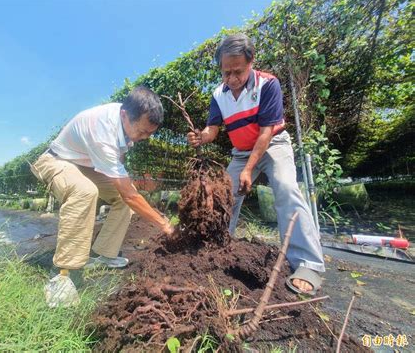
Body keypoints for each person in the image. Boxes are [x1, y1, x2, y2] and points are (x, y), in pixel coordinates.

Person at [187, 34, 325, 295]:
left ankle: (308, 264)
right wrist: (201, 137)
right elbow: (213, 128)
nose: (232, 79)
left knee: (286, 188)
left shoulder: (268, 84)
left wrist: (249, 170)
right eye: (226, 73)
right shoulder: (219, 94)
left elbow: (265, 132)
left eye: (237, 71)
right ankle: (217, 245)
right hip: (241, 152)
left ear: (251, 62)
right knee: (224, 194)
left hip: (273, 144)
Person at [31, 86, 174, 302]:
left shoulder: (125, 120)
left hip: (85, 164)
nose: (144, 137)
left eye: (149, 133)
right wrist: (164, 224)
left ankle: (103, 255)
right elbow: (128, 194)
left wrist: (125, 186)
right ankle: (64, 274)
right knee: (85, 191)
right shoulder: (102, 131)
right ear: (125, 115)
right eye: (142, 131)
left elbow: (121, 174)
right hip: (56, 160)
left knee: (126, 197)